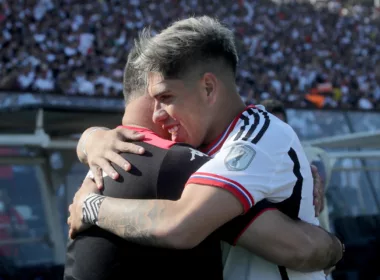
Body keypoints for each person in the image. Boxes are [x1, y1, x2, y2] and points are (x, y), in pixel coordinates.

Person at [68, 16, 343, 279]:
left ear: (209, 88)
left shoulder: (255, 140)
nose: (157, 115)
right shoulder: (204, 146)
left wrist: (91, 207)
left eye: (166, 97)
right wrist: (91, 138)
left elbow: (181, 226)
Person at [261, 99, 332, 231]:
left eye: (280, 125)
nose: (275, 132)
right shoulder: (256, 160)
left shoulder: (309, 154)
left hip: (314, 238)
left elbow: (317, 192)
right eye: (270, 126)